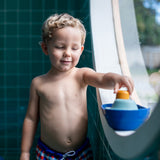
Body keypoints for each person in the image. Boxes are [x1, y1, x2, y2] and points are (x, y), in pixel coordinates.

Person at [20, 13, 134, 160]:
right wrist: (24, 152)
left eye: (74, 48)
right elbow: (31, 118)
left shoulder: (82, 75)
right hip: (48, 153)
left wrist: (116, 78)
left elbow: (102, 78)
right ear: (45, 48)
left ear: (80, 50)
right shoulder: (39, 83)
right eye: (60, 47)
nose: (67, 53)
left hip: (80, 152)